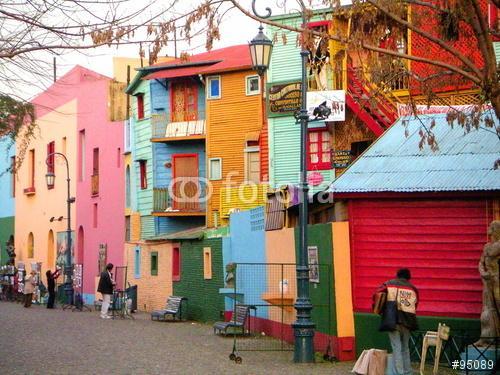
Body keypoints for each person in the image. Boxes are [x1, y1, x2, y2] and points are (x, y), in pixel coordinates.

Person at [377, 268, 418, 375]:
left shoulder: (389, 284)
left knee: (397, 348)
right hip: (408, 321)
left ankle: (399, 373)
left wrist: (380, 310)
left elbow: (378, 295)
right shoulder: (413, 289)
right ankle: (408, 372)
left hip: (393, 320)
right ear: (408, 277)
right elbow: (415, 304)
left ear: (398, 275)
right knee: (405, 348)